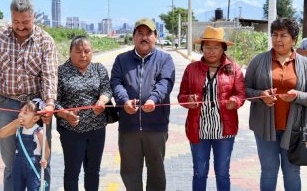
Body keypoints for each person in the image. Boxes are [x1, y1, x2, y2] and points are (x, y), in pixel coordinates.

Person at [0, 0, 58, 191]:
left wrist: (49, 104)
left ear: (33, 17)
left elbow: (49, 74)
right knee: (10, 160)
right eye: (16, 22)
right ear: (11, 18)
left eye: (25, 22)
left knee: (41, 158)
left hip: (35, 107)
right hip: (6, 104)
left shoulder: (45, 41)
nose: (21, 27)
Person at [110, 18, 175, 191]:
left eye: (148, 34)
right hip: (128, 127)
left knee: (156, 173)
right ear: (133, 37)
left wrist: (153, 99)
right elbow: (116, 83)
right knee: (130, 173)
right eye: (140, 33)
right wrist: (124, 101)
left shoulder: (165, 59)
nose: (144, 37)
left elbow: (165, 83)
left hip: (156, 127)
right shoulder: (121, 60)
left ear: (156, 36)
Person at [178, 26, 246, 191]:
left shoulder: (234, 69)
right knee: (200, 173)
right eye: (207, 47)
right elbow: (181, 96)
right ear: (201, 48)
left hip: (225, 130)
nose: (211, 51)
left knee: (222, 173)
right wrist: (188, 100)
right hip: (198, 129)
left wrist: (235, 101)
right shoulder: (191, 69)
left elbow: (241, 94)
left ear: (223, 48)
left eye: (216, 47)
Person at [245, 18, 307, 191]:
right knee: (269, 171)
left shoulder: (304, 64)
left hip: (294, 129)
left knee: (292, 171)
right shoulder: (258, 61)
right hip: (264, 128)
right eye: (275, 34)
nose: (278, 39)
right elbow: (244, 90)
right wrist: (260, 95)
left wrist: (298, 96)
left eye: (283, 35)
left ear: (294, 39)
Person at [54, 35, 112, 191]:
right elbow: (53, 101)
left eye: (87, 51)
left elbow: (107, 89)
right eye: (78, 51)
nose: (83, 55)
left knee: (93, 171)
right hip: (71, 131)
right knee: (72, 172)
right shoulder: (61, 72)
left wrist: (102, 101)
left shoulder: (99, 69)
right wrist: (66, 115)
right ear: (70, 52)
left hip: (97, 129)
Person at [0, 99, 50, 191]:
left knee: (34, 187)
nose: (20, 115)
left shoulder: (39, 131)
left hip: (33, 164)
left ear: (35, 118)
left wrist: (44, 159)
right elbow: (1, 134)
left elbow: (46, 149)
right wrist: (14, 123)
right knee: (17, 187)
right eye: (20, 111)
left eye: (25, 113)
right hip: (18, 164)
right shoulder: (18, 128)